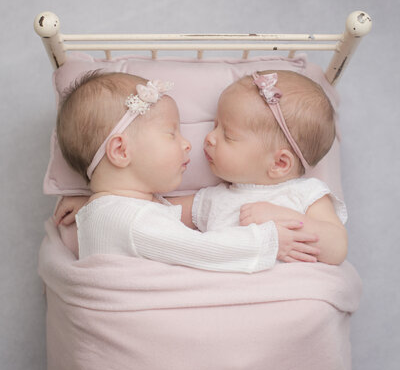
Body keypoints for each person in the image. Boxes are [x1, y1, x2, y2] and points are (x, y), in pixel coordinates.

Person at [55, 71, 319, 272]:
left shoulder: (110, 211)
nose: (187, 143)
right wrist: (269, 241)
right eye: (171, 133)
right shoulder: (132, 220)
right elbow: (204, 250)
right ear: (122, 151)